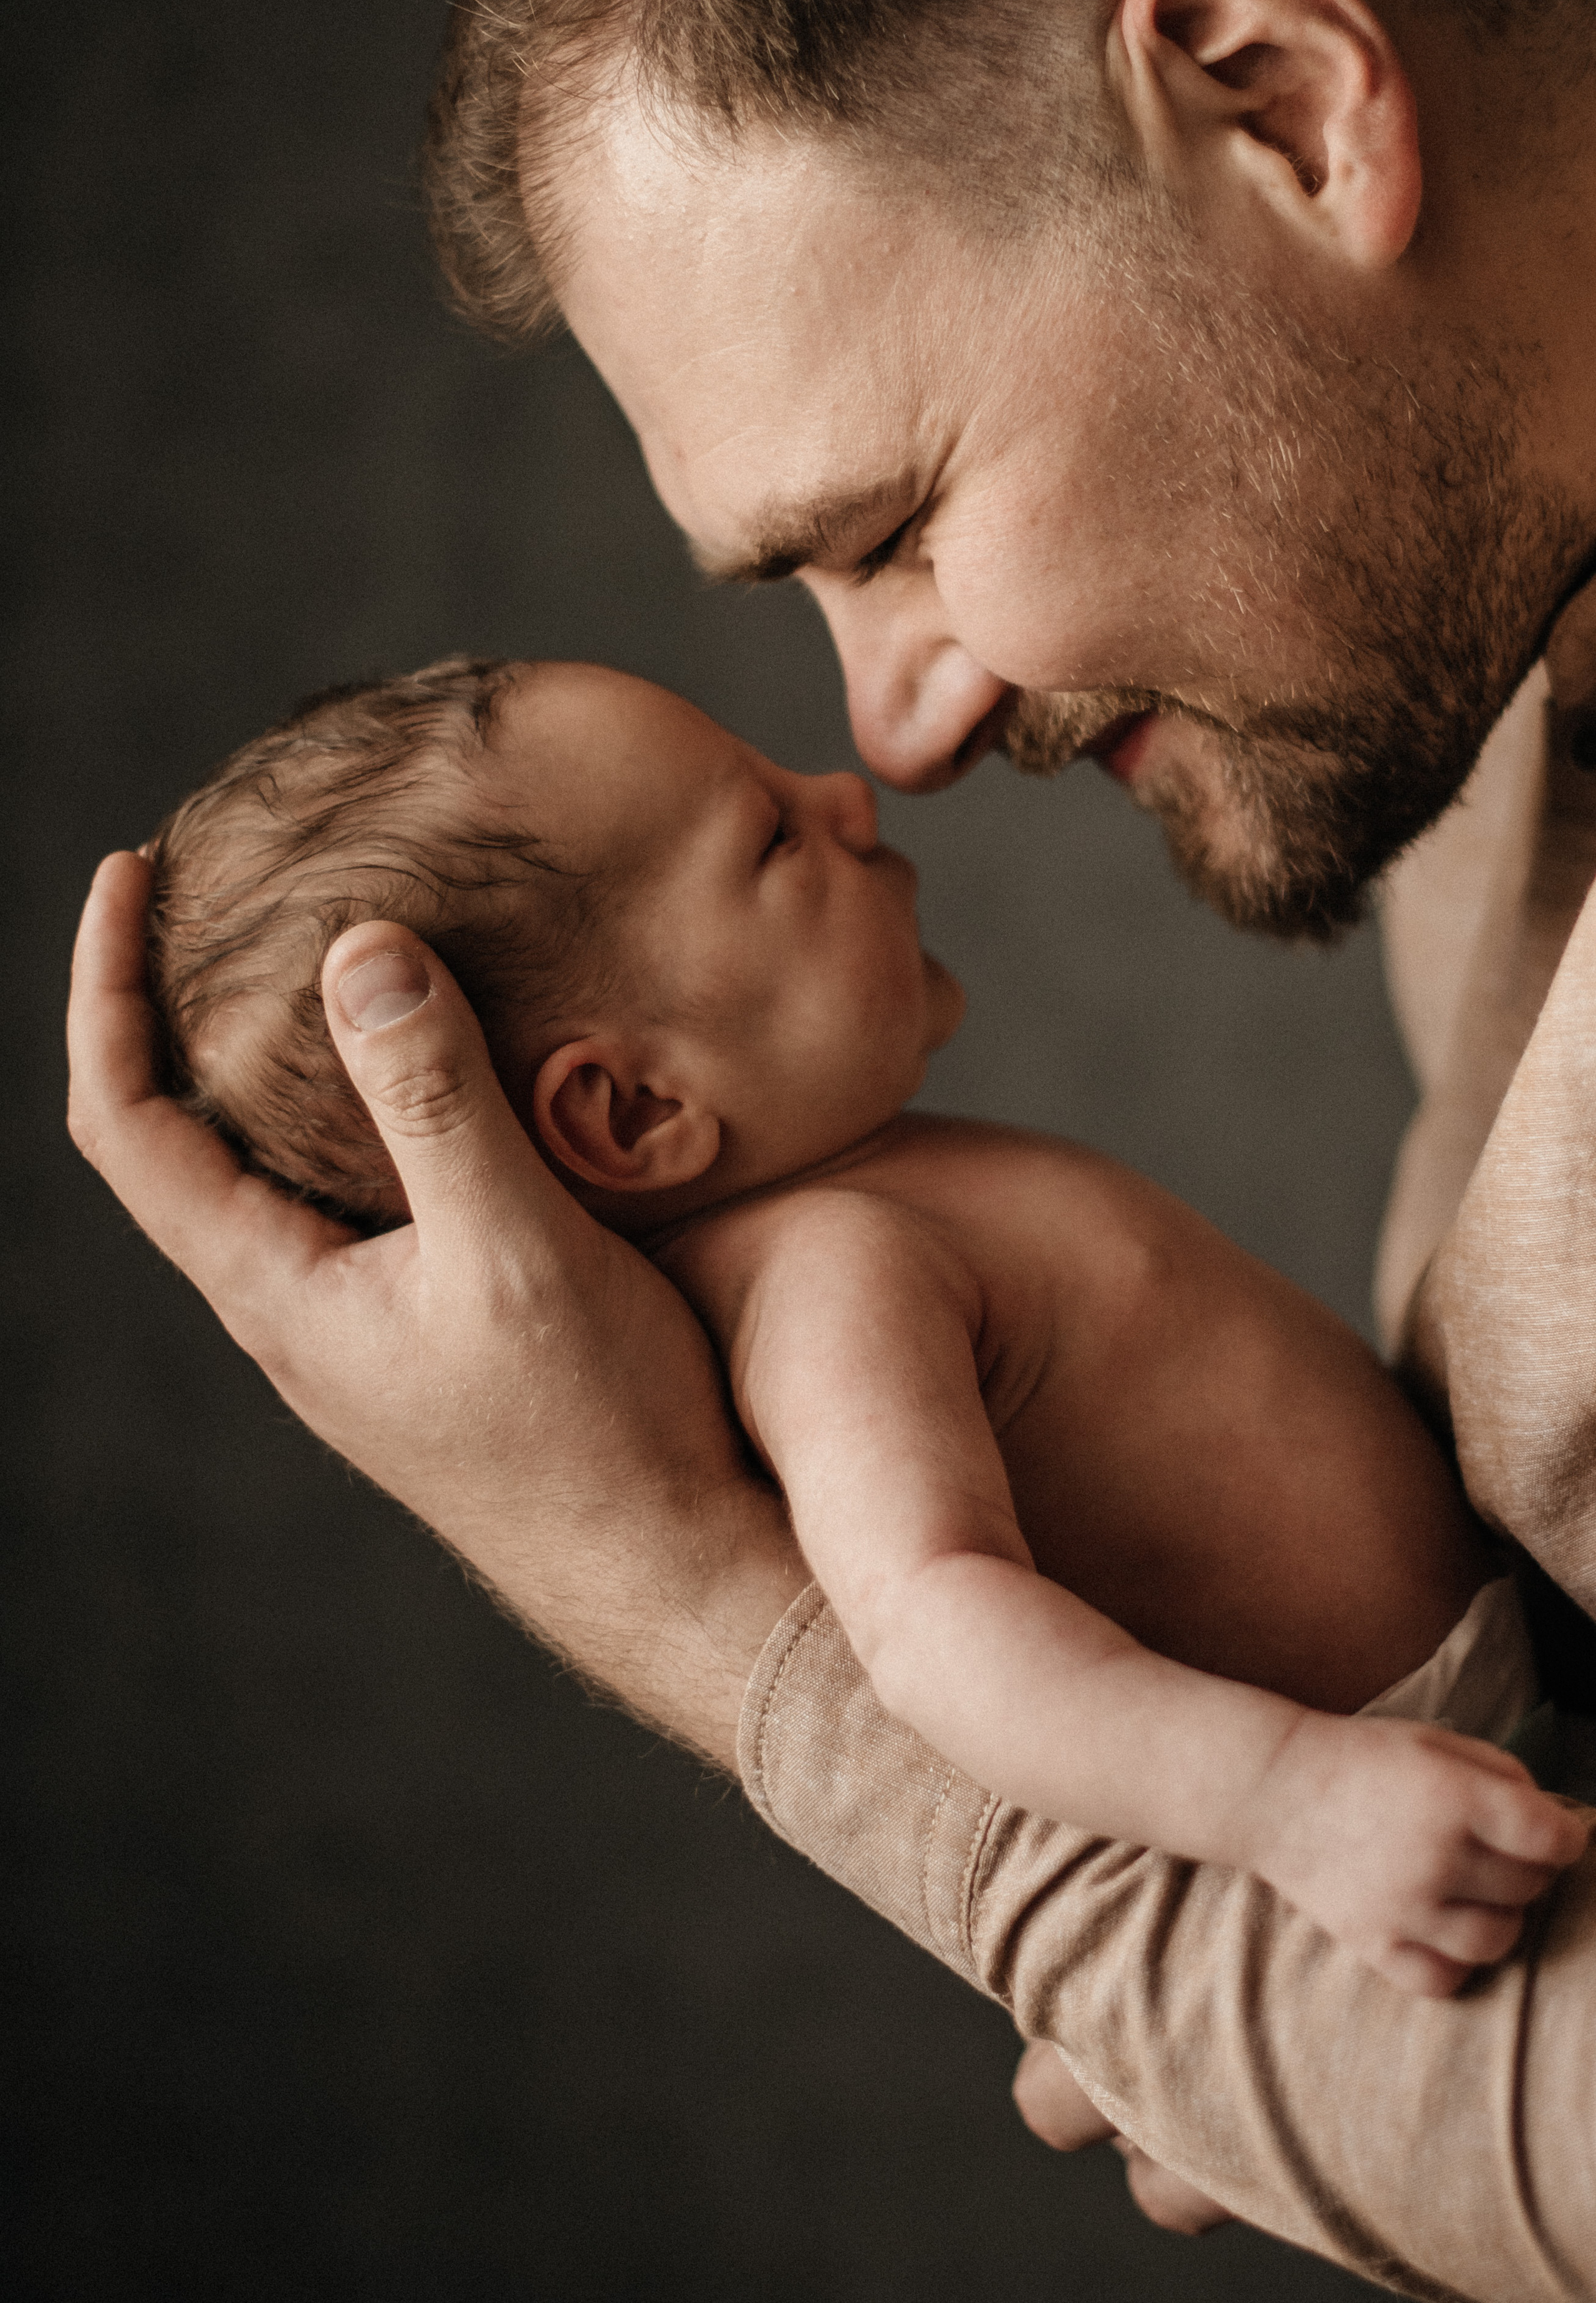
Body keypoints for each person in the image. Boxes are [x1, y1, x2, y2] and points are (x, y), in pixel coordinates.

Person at [65, 0, 1596, 2293]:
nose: (888, 736)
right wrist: (1272, 1998)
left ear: (1285, 98)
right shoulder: (1484, 730)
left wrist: (683, 1594)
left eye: (889, 523)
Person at [145, 651, 1581, 2023]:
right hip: (1433, 1772)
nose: (845, 791)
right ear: (637, 1111)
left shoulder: (864, 1202)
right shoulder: (831, 1283)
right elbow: (933, 1630)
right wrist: (1292, 1807)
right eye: (770, 834)